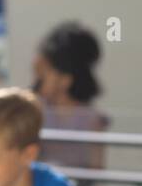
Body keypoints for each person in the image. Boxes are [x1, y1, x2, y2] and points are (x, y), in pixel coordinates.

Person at [30, 21, 108, 171]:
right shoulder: (36, 111)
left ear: (65, 80)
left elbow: (97, 170)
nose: (37, 80)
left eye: (44, 73)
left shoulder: (92, 119)